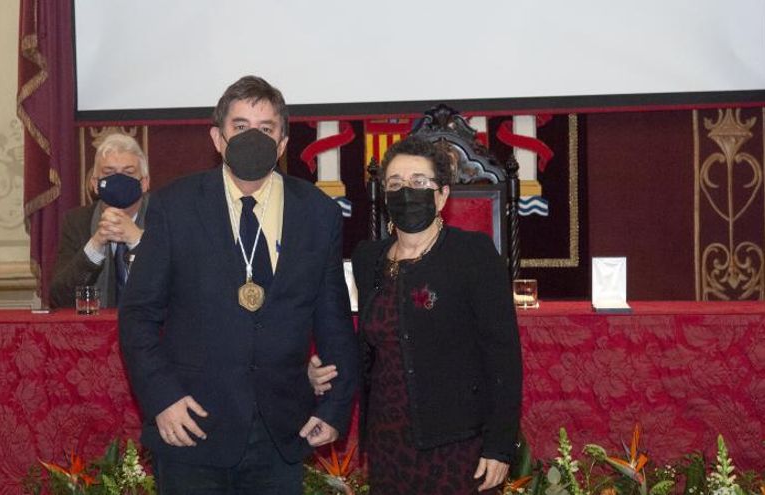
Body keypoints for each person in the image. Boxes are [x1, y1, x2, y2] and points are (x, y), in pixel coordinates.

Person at [118, 75, 359, 494]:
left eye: (266, 129)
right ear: (218, 137)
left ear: (283, 142)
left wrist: (335, 408)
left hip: (282, 432)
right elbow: (138, 315)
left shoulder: (318, 213)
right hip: (191, 424)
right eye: (241, 127)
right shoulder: (174, 206)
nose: (255, 138)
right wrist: (162, 399)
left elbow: (334, 321)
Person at [310, 136, 523, 493]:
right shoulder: (368, 258)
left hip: (457, 446)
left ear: (441, 195)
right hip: (387, 444)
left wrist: (500, 446)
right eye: (395, 184)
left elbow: (503, 357)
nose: (406, 191)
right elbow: (367, 348)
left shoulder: (472, 254)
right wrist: (322, 371)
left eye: (419, 182)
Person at [49, 133, 150, 308]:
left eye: (128, 173)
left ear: (145, 182)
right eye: (109, 173)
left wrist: (139, 241)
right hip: (93, 331)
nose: (118, 181)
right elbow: (59, 297)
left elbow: (181, 289)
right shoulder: (77, 222)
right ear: (95, 184)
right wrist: (95, 246)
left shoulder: (167, 217)